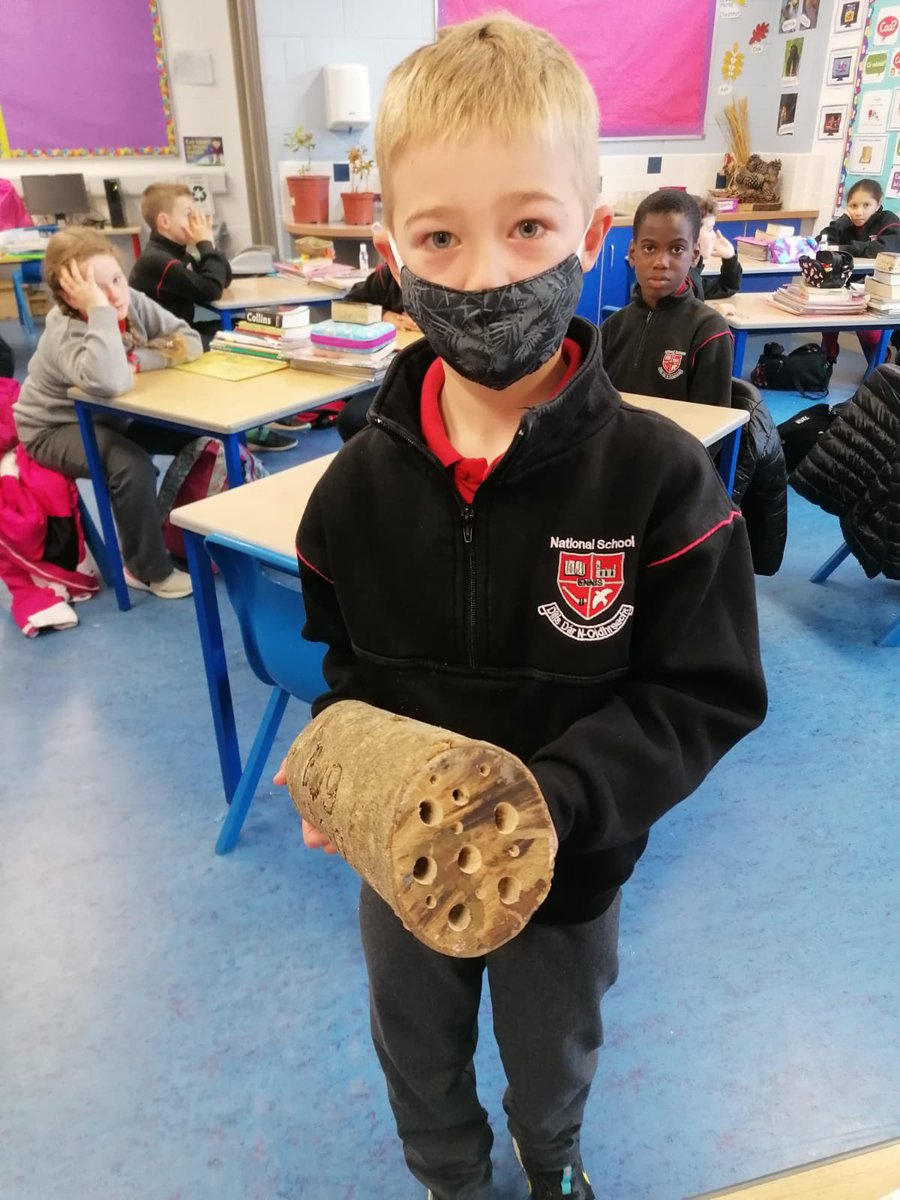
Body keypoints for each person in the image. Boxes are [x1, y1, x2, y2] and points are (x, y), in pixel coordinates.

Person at [274, 16, 767, 1200]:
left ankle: (551, 1167)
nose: (487, 272)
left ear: (588, 236)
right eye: (440, 234)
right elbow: (345, 665)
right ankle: (451, 1180)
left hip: (572, 873)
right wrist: (346, 765)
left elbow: (703, 695)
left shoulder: (659, 481)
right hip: (406, 865)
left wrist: (552, 809)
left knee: (552, 1053)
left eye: (529, 225)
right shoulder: (350, 488)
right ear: (391, 250)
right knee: (417, 1047)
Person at [13, 227, 203, 599]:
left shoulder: (130, 298)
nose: (115, 294)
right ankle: (147, 568)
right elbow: (113, 382)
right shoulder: (66, 331)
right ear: (71, 294)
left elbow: (190, 341)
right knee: (130, 466)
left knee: (197, 434)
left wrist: (139, 359)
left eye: (116, 278)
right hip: (53, 428)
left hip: (112, 416)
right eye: (98, 289)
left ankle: (178, 528)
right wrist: (99, 311)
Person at [130, 182, 294, 452]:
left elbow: (222, 277)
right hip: (167, 344)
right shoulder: (157, 261)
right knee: (241, 345)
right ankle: (249, 427)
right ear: (164, 221)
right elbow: (210, 288)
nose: (196, 220)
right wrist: (205, 243)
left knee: (252, 327)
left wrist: (208, 246)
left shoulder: (176, 254)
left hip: (185, 332)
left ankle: (267, 412)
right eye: (188, 213)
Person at [601, 190, 734, 405]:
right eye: (650, 248)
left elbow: (715, 426)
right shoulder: (612, 329)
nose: (661, 262)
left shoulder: (709, 330)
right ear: (633, 254)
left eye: (676, 249)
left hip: (682, 438)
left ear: (694, 255)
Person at [816, 179, 900, 362]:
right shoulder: (846, 224)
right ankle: (827, 357)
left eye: (866, 205)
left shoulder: (889, 221)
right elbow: (820, 245)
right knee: (827, 309)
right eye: (853, 205)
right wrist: (841, 223)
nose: (859, 212)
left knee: (866, 325)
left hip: (881, 289)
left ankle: (881, 360)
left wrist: (843, 248)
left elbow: (879, 249)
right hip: (848, 285)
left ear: (878, 204)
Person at [335, 263, 420, 441]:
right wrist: (383, 314)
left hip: (433, 373)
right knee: (352, 418)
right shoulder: (387, 275)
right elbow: (346, 305)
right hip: (391, 372)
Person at [688, 195, 743, 301]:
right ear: (690, 233)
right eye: (709, 229)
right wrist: (716, 312)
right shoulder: (680, 280)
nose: (714, 236)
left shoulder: (691, 274)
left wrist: (730, 259)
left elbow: (727, 287)